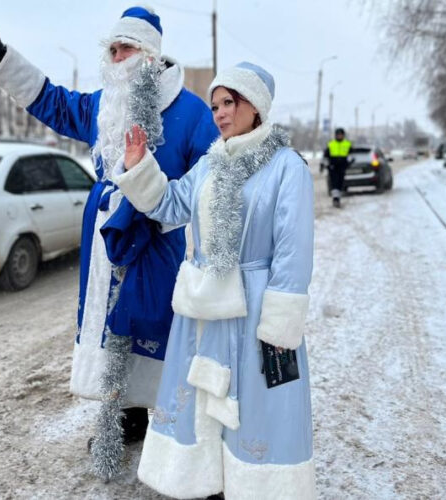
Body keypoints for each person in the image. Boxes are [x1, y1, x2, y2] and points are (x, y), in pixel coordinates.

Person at [0, 6, 220, 480]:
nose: (115, 56)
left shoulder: (190, 111)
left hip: (157, 240)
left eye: (123, 48)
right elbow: (54, 103)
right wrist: (4, 59)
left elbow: (210, 181)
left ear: (147, 54)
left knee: (157, 326)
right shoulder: (104, 105)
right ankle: (127, 414)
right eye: (112, 48)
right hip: (104, 242)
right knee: (109, 326)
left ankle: (168, 422)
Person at [114, 63, 316, 499]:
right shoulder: (209, 165)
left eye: (230, 102)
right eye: (215, 105)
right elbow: (169, 205)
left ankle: (257, 485)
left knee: (258, 403)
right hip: (204, 309)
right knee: (201, 402)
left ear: (255, 106)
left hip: (257, 307)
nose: (221, 113)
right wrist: (139, 169)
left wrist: (280, 322)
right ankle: (203, 482)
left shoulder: (287, 167)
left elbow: (293, 250)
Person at [323, 127, 352, 208]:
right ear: (335, 135)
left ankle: (337, 198)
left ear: (343, 135)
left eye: (341, 135)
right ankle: (335, 199)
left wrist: (349, 163)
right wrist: (324, 165)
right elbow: (325, 156)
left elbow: (351, 155)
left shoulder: (347, 144)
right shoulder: (331, 144)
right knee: (334, 183)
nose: (339, 136)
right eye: (338, 135)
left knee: (340, 183)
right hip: (333, 167)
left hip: (342, 167)